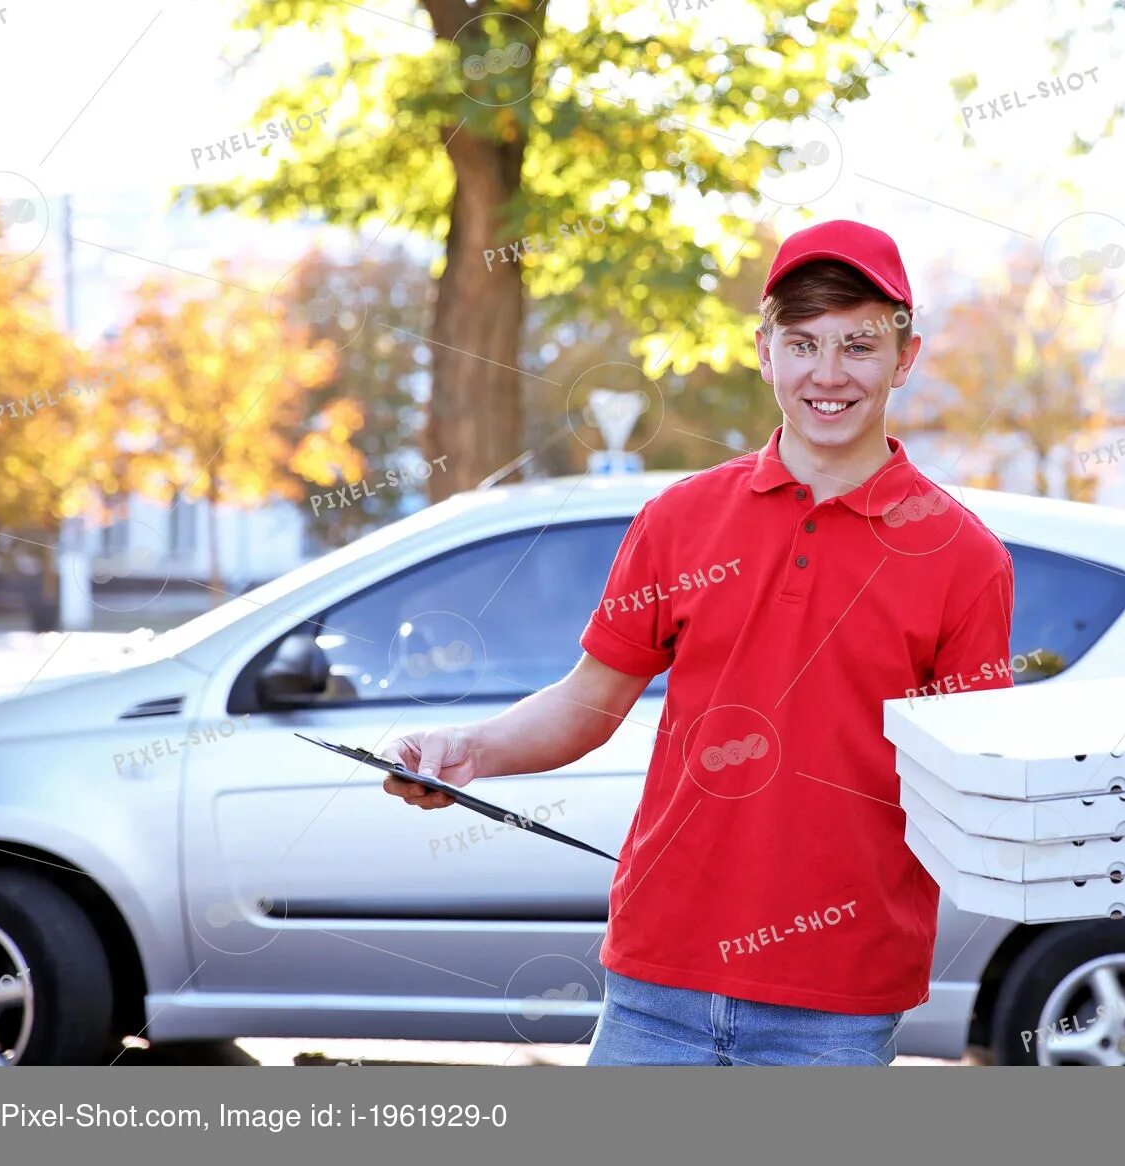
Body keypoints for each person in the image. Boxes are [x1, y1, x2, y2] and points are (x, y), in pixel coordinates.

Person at [382, 219, 1015, 1065]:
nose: (828, 376)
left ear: (905, 359)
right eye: (803, 344)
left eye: (859, 346)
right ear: (764, 350)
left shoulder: (963, 559)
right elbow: (586, 702)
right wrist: (469, 748)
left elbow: (973, 782)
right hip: (657, 984)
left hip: (835, 1004)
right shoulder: (678, 521)